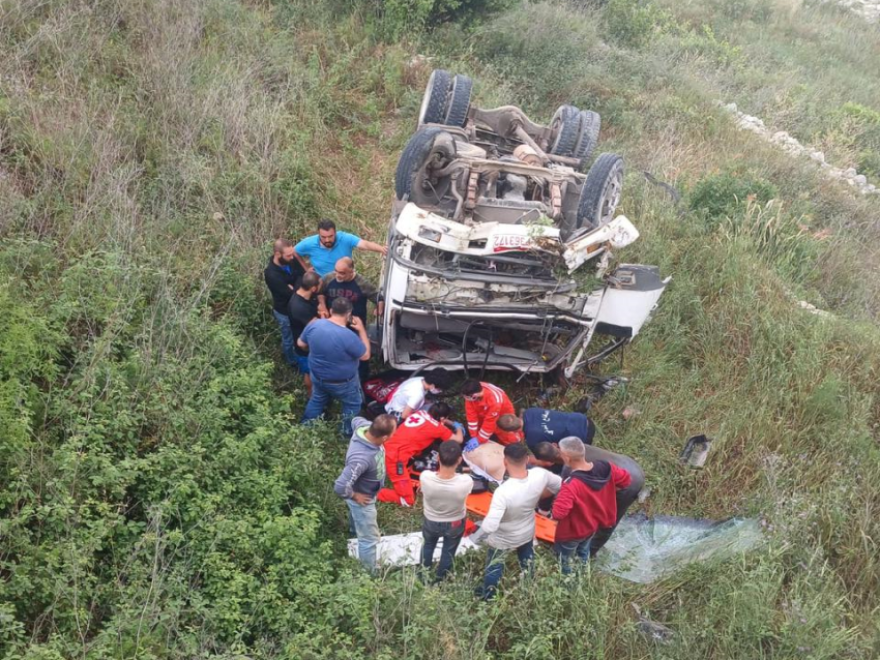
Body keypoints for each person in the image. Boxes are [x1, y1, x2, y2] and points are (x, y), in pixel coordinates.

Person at [469, 443, 562, 600]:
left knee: (494, 566)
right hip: (527, 529)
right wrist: (541, 495)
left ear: (505, 462)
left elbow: (490, 525)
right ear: (527, 459)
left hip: (504, 536)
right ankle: (529, 585)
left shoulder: (503, 492)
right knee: (527, 557)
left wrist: (478, 535)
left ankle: (489, 596)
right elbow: (560, 484)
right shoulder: (540, 474)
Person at [552, 437, 632, 574]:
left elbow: (559, 513)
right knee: (583, 551)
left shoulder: (571, 484)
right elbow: (626, 480)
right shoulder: (606, 467)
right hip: (592, 526)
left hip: (572, 531)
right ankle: (583, 573)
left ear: (566, 457)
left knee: (565, 558)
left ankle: (567, 582)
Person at [334, 414, 398, 573]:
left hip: (364, 490)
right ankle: (369, 573)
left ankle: (354, 530)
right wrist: (356, 496)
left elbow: (355, 419)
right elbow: (341, 487)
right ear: (384, 437)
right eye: (393, 433)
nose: (394, 435)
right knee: (369, 539)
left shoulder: (364, 427)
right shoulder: (361, 458)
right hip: (363, 498)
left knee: (356, 516)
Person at [298, 297, 370, 437]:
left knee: (317, 400)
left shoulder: (315, 324)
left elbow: (301, 343)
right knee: (352, 405)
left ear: (331, 310)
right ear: (349, 314)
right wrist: (361, 330)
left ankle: (305, 429)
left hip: (318, 377)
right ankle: (345, 433)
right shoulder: (348, 336)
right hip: (343, 382)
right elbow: (365, 355)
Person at [377, 402, 464, 507]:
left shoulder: (419, 413)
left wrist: (445, 420)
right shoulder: (438, 428)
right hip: (395, 460)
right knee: (408, 501)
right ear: (442, 419)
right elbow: (459, 439)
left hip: (384, 447)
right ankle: (371, 492)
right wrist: (457, 426)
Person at [419, 441, 474, 582]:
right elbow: (461, 477)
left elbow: (433, 474)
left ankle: (423, 576)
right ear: (459, 460)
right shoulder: (466, 481)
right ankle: (440, 580)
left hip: (431, 520)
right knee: (448, 552)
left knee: (428, 547)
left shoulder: (425, 477)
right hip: (455, 522)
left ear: (438, 458)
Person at [294, 219, 388, 277]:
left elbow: (364, 244)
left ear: (335, 232)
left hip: (345, 280)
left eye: (330, 236)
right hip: (324, 284)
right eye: (323, 237)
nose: (327, 240)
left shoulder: (345, 238)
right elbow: (294, 252)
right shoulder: (309, 243)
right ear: (319, 234)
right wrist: (305, 269)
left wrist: (381, 249)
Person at [264, 239, 305, 367]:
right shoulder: (271, 273)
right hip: (284, 311)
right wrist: (298, 287)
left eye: (292, 254)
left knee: (299, 334)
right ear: (277, 254)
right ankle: (292, 362)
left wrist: (295, 286)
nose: (292, 257)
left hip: (297, 308)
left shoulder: (291, 260)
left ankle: (300, 356)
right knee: (288, 338)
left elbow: (302, 275)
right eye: (288, 255)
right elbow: (289, 294)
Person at [318, 257, 384, 324]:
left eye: (342, 273)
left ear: (351, 271)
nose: (337, 275)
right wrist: (323, 306)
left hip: (353, 325)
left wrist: (379, 308)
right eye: (336, 271)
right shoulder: (329, 278)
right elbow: (320, 292)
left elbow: (379, 298)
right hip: (332, 322)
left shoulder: (361, 283)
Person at [287, 271, 322, 396]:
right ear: (313, 288)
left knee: (308, 373)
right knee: (311, 374)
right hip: (305, 348)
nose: (320, 288)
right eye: (319, 286)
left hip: (304, 344)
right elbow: (317, 325)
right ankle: (312, 396)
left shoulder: (302, 296)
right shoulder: (300, 307)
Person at [497, 408, 595, 451]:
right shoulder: (530, 411)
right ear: (514, 415)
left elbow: (548, 459)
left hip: (583, 438)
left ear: (513, 432)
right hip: (584, 420)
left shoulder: (532, 440)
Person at [461, 380, 517, 451]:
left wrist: (480, 440)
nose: (465, 399)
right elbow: (471, 417)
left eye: (465, 397)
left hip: (502, 414)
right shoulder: (472, 391)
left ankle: (511, 449)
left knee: (505, 434)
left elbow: (490, 422)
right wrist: (474, 436)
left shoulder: (494, 401)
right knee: (480, 426)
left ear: (474, 396)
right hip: (483, 409)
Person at [385, 369, 452, 421]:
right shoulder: (417, 394)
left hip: (393, 404)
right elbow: (404, 416)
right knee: (440, 411)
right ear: (432, 385)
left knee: (439, 406)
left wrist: (427, 402)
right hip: (397, 414)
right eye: (439, 389)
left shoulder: (420, 379)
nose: (440, 391)